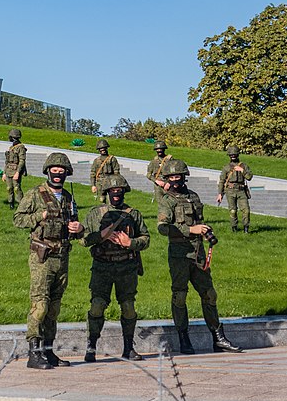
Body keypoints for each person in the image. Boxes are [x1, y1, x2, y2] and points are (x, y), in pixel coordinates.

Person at [157, 158, 242, 355]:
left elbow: (198, 221)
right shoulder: (167, 201)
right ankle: (183, 338)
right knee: (180, 296)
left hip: (198, 253)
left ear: (184, 176)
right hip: (179, 255)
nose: (175, 180)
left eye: (178, 176)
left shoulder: (193, 197)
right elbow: (162, 227)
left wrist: (203, 231)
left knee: (209, 294)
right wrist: (190, 229)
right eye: (171, 177)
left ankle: (218, 337)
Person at [14, 152, 83, 369]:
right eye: (54, 170)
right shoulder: (36, 194)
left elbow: (74, 225)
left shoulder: (70, 199)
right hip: (41, 256)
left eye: (62, 171)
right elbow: (18, 219)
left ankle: (48, 350)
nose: (58, 174)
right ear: (48, 171)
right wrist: (39, 216)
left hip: (62, 256)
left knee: (54, 307)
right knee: (40, 304)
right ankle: (33, 353)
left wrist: (78, 228)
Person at [81, 174, 150, 362]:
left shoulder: (133, 214)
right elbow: (83, 239)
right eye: (112, 191)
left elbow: (146, 238)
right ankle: (91, 345)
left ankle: (128, 347)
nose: (116, 194)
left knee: (128, 307)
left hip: (126, 267)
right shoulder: (96, 213)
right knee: (97, 306)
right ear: (107, 192)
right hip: (102, 267)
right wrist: (101, 235)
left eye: (119, 191)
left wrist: (131, 242)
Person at [216, 147, 254, 233]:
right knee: (233, 210)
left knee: (246, 210)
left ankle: (246, 228)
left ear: (237, 154)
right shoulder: (226, 167)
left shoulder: (243, 166)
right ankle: (234, 227)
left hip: (241, 191)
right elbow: (222, 181)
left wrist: (242, 171)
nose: (233, 156)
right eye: (231, 155)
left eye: (234, 154)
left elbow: (249, 177)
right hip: (230, 191)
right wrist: (220, 194)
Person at [3, 128, 27, 209]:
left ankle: (21, 205)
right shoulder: (11, 148)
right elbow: (7, 162)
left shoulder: (21, 147)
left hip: (16, 171)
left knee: (16, 188)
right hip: (8, 170)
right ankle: (11, 204)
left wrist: (18, 172)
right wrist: (4, 173)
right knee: (9, 188)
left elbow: (22, 161)